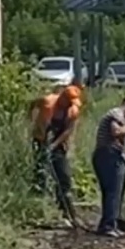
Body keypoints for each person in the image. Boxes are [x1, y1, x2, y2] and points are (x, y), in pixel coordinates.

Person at [91, 97, 125, 238]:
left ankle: (108, 223)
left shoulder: (117, 115)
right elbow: (116, 132)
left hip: (108, 155)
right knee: (113, 192)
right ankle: (108, 226)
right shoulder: (116, 114)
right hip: (108, 155)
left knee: (110, 192)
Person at [46, 84, 84, 223]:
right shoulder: (49, 104)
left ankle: (67, 211)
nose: (70, 104)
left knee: (64, 179)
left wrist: (54, 145)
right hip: (43, 140)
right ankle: (51, 209)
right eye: (68, 101)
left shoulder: (72, 111)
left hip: (58, 145)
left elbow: (68, 130)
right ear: (62, 98)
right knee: (43, 176)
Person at [28, 86, 61, 193]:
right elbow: (33, 104)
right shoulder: (48, 100)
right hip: (41, 134)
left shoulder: (68, 105)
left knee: (47, 161)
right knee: (42, 161)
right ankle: (42, 187)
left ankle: (47, 187)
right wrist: (31, 119)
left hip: (52, 136)